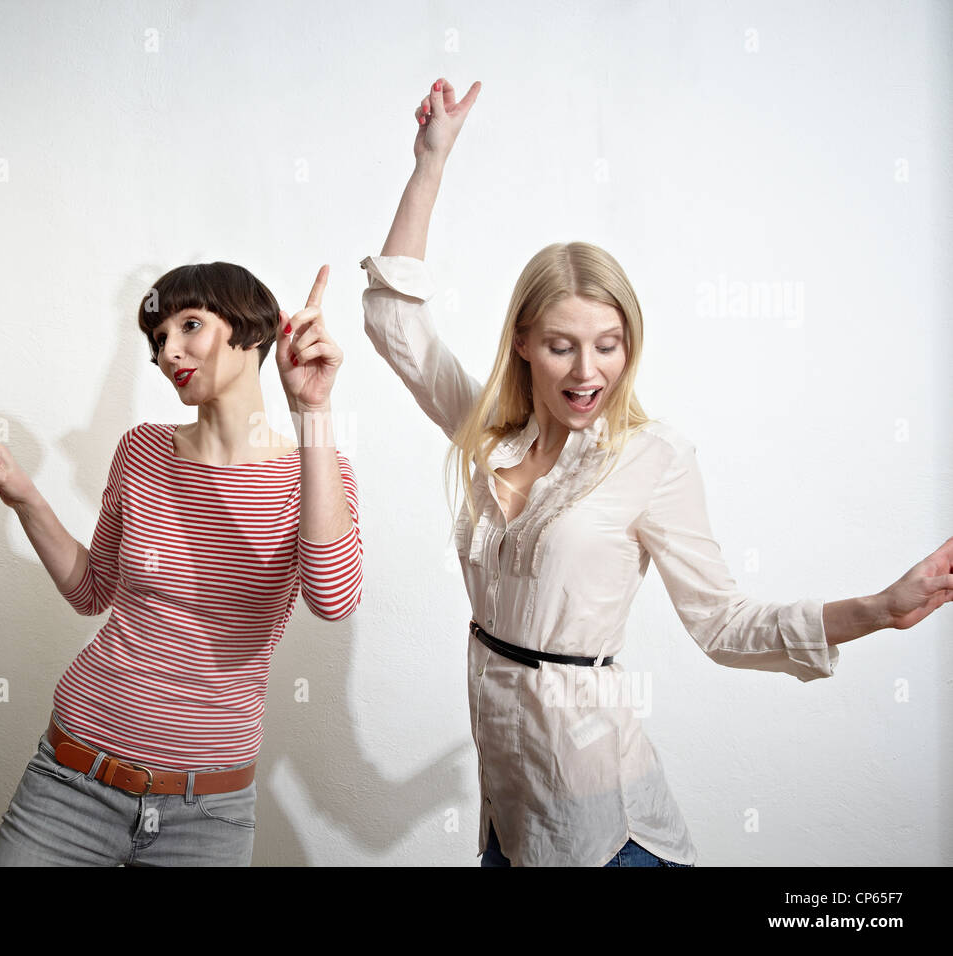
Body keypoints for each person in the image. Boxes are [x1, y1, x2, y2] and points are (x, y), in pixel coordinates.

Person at [362, 77, 953, 867]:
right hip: (509, 821)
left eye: (609, 343)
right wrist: (430, 162)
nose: (588, 369)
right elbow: (396, 321)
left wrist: (879, 608)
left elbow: (724, 623)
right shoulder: (487, 435)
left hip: (607, 829)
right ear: (525, 344)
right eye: (564, 344)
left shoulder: (652, 458)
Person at [0, 261, 362, 866]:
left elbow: (333, 599)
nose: (169, 351)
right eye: (157, 340)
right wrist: (24, 496)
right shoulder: (142, 450)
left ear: (253, 331)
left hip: (209, 811)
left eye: (190, 325)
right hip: (72, 779)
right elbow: (93, 591)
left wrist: (312, 411)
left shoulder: (311, 473)